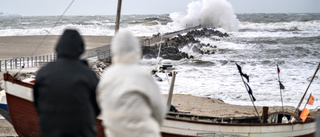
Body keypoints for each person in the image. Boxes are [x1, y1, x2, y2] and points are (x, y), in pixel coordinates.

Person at [97, 29, 166, 137]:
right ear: (136, 51)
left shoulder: (107, 76)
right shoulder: (142, 75)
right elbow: (159, 109)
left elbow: (101, 104)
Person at [33, 29, 100, 137]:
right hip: (82, 132)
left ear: (58, 47)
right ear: (81, 48)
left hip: (50, 132)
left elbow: (37, 103)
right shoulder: (88, 74)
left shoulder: (44, 72)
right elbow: (97, 106)